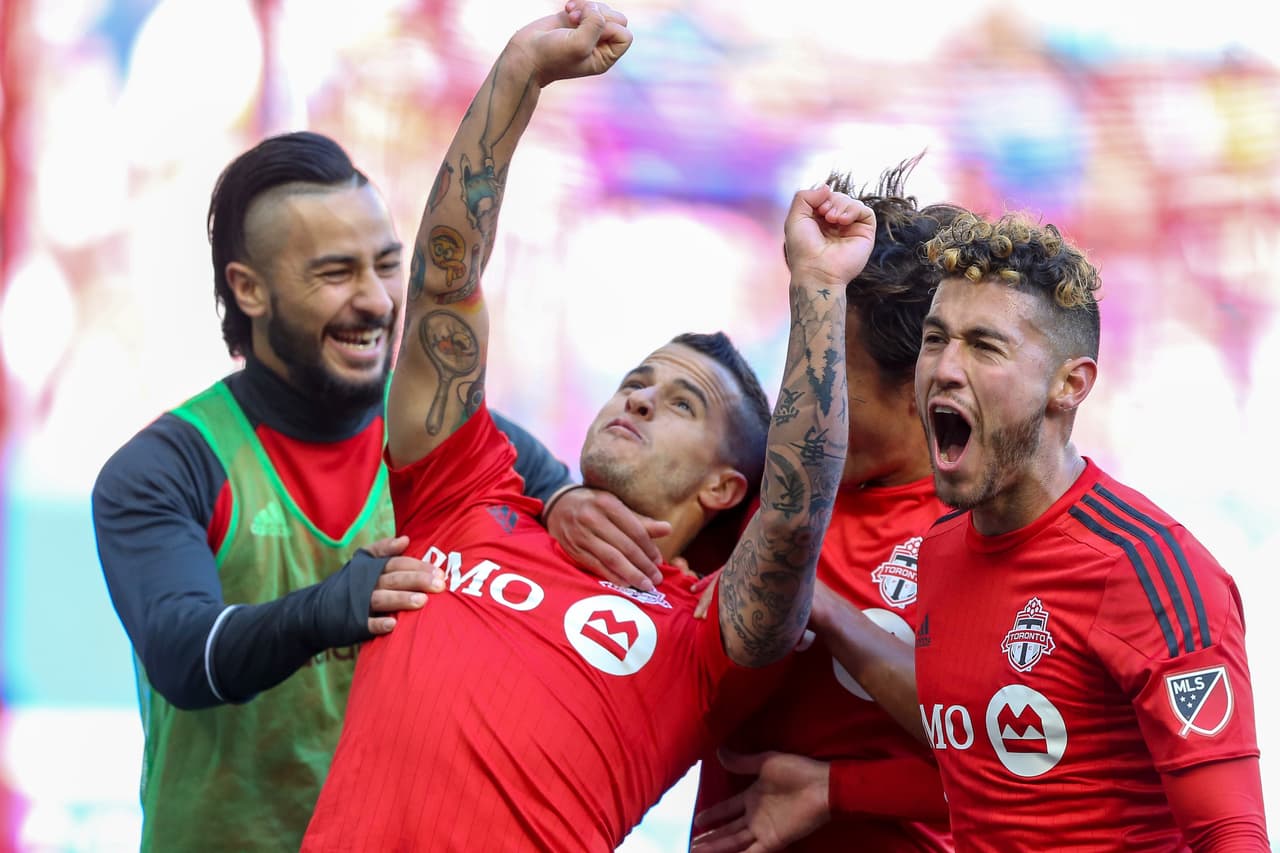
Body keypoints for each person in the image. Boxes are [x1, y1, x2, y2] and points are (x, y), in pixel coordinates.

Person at [301, 3, 876, 849]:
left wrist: (819, 292)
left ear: (726, 486)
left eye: (682, 403)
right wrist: (517, 75)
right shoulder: (468, 493)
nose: (637, 398)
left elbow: (793, 515)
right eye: (635, 382)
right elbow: (443, 286)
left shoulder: (701, 634)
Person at [91, 130, 648, 852]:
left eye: (388, 265)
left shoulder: (469, 447)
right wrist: (324, 612)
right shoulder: (165, 468)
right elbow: (184, 655)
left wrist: (564, 502)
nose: (378, 300)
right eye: (334, 273)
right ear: (248, 288)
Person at [912, 212, 1269, 849]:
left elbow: (1229, 831)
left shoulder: (1149, 568)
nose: (944, 367)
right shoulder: (936, 551)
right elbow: (984, 787)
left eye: (985, 346)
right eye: (936, 339)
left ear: (1069, 385)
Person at [689, 162, 961, 852]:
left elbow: (1021, 757)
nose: (803, 392)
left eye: (831, 367)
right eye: (803, 352)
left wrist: (837, 788)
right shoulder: (751, 482)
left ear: (920, 385)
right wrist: (570, 500)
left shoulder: (982, 528)